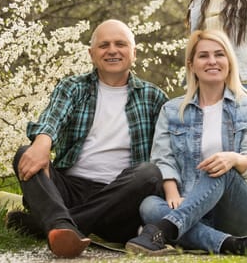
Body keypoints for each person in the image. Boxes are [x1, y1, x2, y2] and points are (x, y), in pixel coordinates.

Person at [9, 19, 168, 258]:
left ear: (133, 52)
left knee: (150, 173)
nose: (112, 50)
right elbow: (53, 118)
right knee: (25, 153)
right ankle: (62, 225)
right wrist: (42, 141)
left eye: (120, 44)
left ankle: (57, 225)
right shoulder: (73, 87)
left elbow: (170, 148)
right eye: (104, 45)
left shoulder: (153, 97)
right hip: (69, 190)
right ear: (91, 54)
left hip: (121, 199)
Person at [125, 30, 247, 256]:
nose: (212, 61)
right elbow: (162, 158)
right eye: (203, 56)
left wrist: (233, 159)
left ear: (229, 62)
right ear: (192, 64)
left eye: (219, 55)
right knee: (149, 205)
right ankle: (232, 245)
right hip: (189, 206)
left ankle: (163, 230)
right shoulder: (172, 111)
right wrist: (172, 192)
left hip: (237, 213)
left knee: (222, 166)